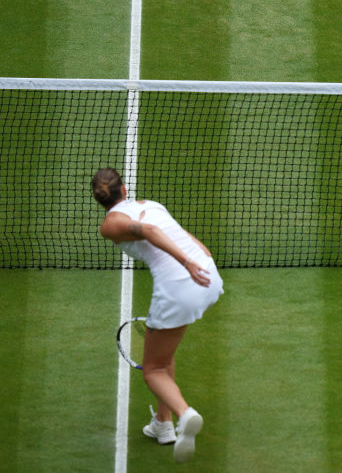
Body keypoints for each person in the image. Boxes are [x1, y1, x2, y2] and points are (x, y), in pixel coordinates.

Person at [92, 167, 224, 463]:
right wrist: (201, 263)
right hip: (209, 276)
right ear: (124, 189)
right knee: (164, 352)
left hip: (182, 284)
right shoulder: (151, 205)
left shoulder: (109, 225)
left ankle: (185, 414)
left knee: (152, 369)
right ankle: (163, 425)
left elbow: (150, 233)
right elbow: (183, 234)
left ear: (99, 199)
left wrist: (187, 264)